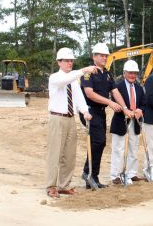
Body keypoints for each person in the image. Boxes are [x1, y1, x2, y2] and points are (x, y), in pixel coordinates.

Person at [46, 47, 96, 198]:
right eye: (67, 61)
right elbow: (64, 80)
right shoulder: (55, 78)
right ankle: (51, 186)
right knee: (55, 153)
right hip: (57, 118)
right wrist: (84, 70)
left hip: (70, 118)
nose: (70, 63)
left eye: (71, 61)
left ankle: (64, 185)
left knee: (69, 154)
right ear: (59, 62)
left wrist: (85, 111)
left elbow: (79, 98)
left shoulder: (73, 80)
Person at [80, 42, 132, 189]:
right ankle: (88, 174)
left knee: (98, 143)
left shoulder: (107, 73)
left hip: (100, 112)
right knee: (99, 141)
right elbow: (89, 93)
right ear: (94, 56)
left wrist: (125, 108)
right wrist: (109, 102)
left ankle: (91, 177)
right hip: (89, 110)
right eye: (101, 55)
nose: (104, 58)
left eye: (106, 56)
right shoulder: (89, 72)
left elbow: (115, 92)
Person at [110, 60, 146, 184]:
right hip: (121, 122)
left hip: (135, 123)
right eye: (130, 73)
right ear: (124, 73)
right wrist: (126, 111)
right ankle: (116, 175)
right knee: (118, 149)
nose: (132, 75)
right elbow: (115, 103)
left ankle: (132, 173)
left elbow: (143, 103)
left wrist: (140, 110)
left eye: (134, 73)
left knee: (133, 148)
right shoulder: (117, 88)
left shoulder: (139, 88)